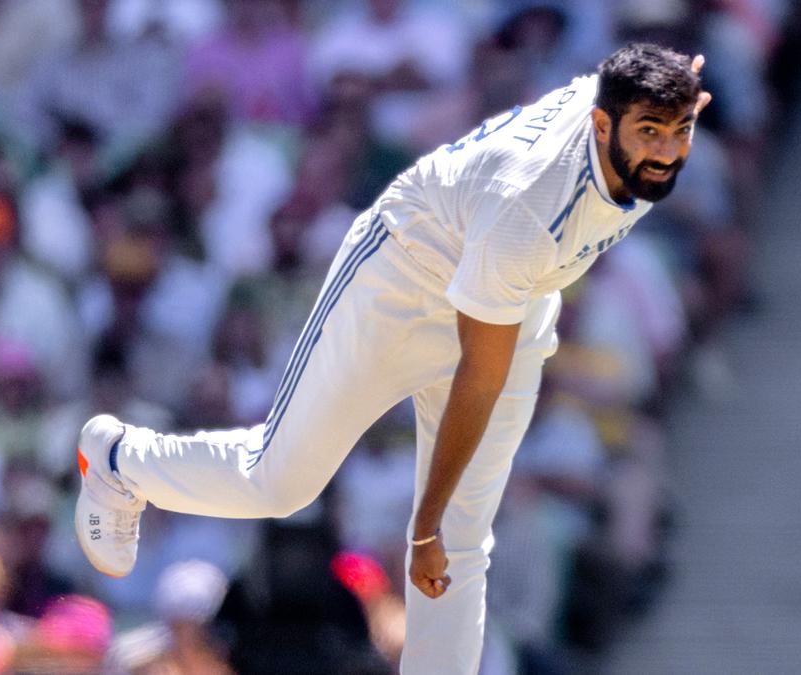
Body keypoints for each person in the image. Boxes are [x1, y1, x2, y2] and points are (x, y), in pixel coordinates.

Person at [73, 43, 711, 675]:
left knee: (464, 540)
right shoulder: (530, 202)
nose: (665, 149)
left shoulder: (632, 117)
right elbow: (477, 378)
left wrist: (678, 91)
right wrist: (424, 526)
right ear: (601, 125)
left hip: (510, 295)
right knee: (281, 482)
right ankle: (118, 459)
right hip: (400, 279)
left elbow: (644, 85)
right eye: (648, 131)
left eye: (679, 129)